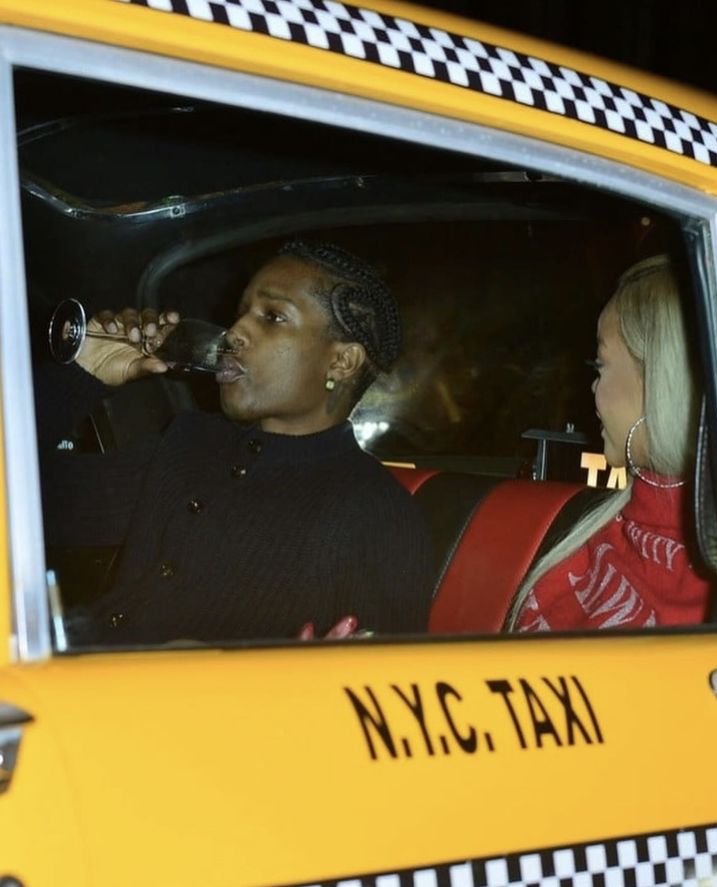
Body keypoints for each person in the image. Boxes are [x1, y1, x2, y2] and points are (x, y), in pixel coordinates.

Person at [36, 240, 435, 645]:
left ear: (342, 361)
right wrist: (80, 375)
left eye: (273, 316)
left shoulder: (374, 513)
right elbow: (26, 505)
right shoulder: (192, 444)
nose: (236, 331)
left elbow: (374, 693)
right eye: (241, 313)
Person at [506, 254, 712, 631]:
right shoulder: (617, 525)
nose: (594, 387)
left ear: (660, 378)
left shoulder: (707, 569)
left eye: (601, 365)